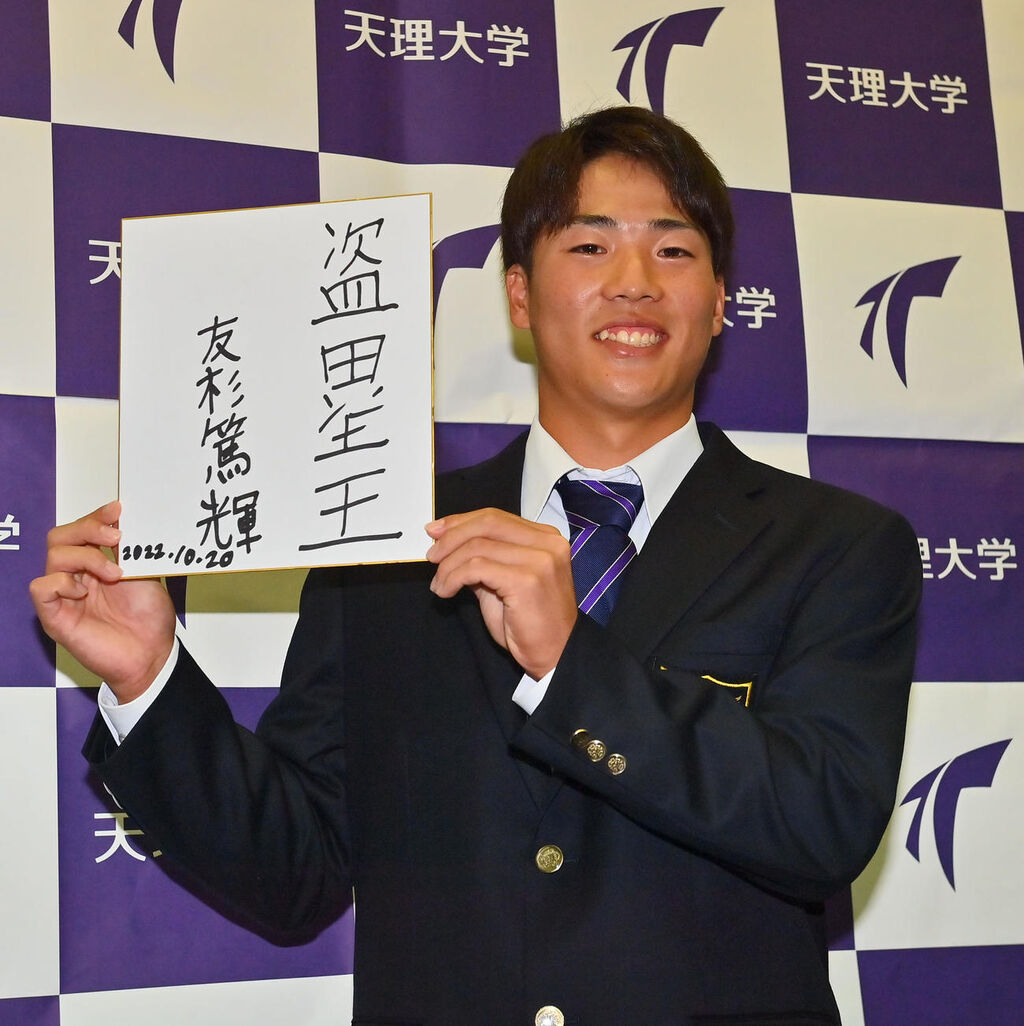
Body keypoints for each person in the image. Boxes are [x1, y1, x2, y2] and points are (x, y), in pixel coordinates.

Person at [32, 106, 920, 1025]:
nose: (635, 283)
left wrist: (570, 663)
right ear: (520, 296)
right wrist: (149, 680)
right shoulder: (388, 542)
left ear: (721, 299)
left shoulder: (838, 546)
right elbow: (296, 874)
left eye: (674, 250)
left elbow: (823, 829)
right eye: (590, 247)